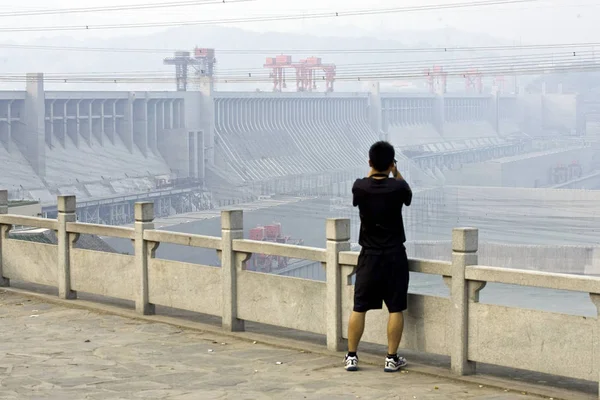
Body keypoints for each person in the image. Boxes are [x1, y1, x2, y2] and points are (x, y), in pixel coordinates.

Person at [344, 141, 413, 373]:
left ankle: (352, 356)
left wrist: (374, 168)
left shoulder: (360, 187)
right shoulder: (398, 187)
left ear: (370, 162)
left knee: (359, 307)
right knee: (395, 308)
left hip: (369, 256)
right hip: (394, 255)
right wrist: (394, 171)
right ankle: (391, 358)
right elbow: (407, 192)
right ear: (392, 163)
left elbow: (364, 186)